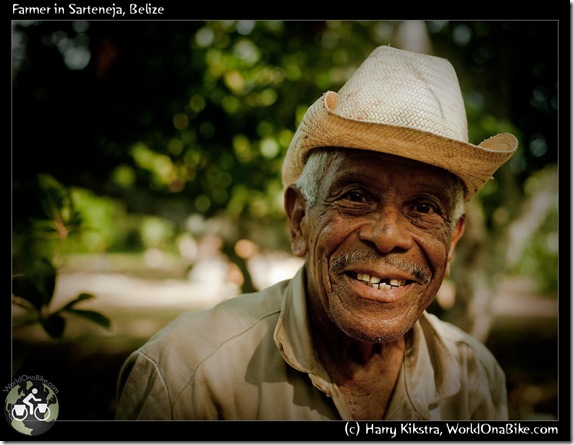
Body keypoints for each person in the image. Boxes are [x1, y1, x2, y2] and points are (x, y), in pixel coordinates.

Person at [115, 45, 517, 420]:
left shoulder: (475, 377)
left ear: (452, 242)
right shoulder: (186, 375)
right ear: (299, 219)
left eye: (425, 208)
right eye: (356, 196)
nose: (389, 235)